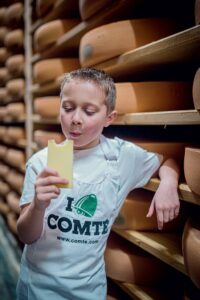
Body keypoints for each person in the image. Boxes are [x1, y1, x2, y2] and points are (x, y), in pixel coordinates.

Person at [16, 67, 180, 300]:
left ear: (109, 118)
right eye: (68, 108)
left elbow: (167, 162)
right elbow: (25, 235)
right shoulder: (40, 162)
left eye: (89, 111)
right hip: (38, 287)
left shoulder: (122, 157)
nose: (75, 119)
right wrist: (38, 206)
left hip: (89, 290)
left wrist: (169, 184)